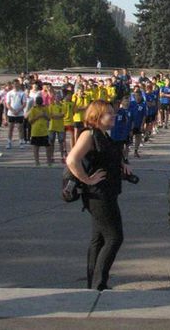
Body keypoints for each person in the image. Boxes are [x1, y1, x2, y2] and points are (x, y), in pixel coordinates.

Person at [66, 100, 133, 291]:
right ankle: (99, 283)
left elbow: (105, 160)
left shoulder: (104, 135)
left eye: (113, 113)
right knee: (114, 237)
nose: (113, 116)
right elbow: (72, 159)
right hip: (98, 194)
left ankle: (93, 283)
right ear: (96, 117)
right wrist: (87, 179)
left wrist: (122, 167)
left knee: (99, 239)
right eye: (108, 114)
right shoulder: (89, 134)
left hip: (107, 192)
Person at [27, 96, 50, 166]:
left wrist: (44, 115)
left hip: (44, 131)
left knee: (47, 147)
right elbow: (30, 121)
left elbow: (49, 118)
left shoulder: (45, 108)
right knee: (36, 147)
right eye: (38, 102)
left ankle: (49, 162)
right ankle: (37, 162)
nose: (39, 104)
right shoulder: (33, 109)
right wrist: (38, 116)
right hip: (35, 131)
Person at [5, 81, 27, 149]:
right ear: (12, 85)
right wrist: (12, 110)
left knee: (20, 128)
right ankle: (9, 142)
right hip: (11, 113)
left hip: (20, 113)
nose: (16, 85)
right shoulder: (9, 93)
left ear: (19, 85)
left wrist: (18, 110)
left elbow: (24, 104)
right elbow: (7, 104)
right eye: (14, 84)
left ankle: (21, 142)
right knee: (10, 128)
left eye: (17, 84)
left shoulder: (22, 93)